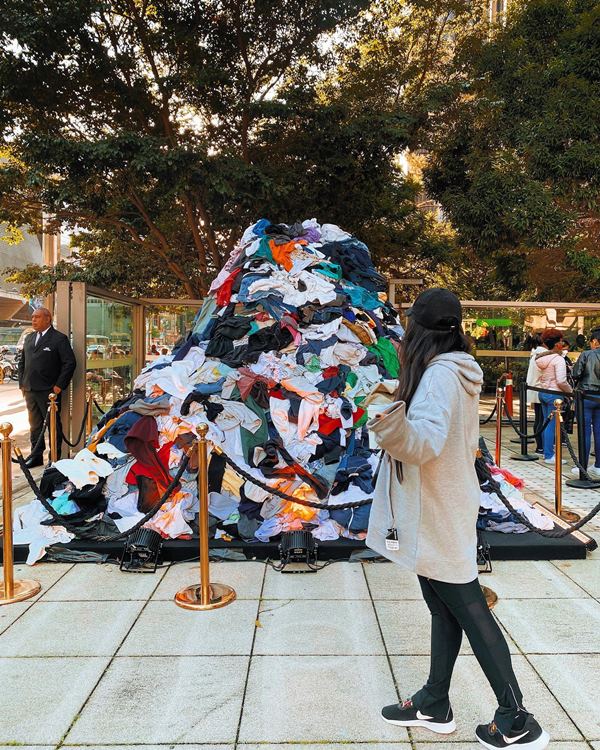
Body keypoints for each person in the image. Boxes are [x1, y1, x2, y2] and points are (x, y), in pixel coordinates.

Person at [367, 288, 549, 750]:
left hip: (436, 509)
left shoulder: (440, 378)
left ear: (418, 331)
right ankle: (434, 701)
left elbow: (421, 443)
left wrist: (383, 415)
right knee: (443, 605)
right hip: (442, 502)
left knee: (467, 606)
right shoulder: (453, 369)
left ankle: (516, 718)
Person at [18, 307, 76, 467]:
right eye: (33, 317)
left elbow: (69, 363)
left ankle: (54, 458)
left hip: (49, 391)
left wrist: (58, 386)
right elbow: (22, 362)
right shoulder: (29, 338)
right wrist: (22, 383)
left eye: (37, 317)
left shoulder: (59, 339)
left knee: (53, 425)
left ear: (47, 319)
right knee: (34, 425)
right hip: (30, 389)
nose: (33, 320)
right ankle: (36, 456)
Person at [535, 329, 573, 464]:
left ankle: (547, 453)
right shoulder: (558, 359)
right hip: (555, 395)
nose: (562, 343)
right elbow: (561, 380)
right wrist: (570, 392)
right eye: (561, 341)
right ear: (557, 344)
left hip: (543, 392)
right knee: (551, 425)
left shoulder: (542, 358)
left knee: (546, 423)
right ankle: (550, 455)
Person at [572, 328, 600, 479]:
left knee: (584, 432)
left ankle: (582, 466)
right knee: (599, 431)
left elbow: (576, 373)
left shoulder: (587, 354)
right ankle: (598, 466)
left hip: (586, 396)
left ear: (595, 341)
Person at [525, 333, 545, 454]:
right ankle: (541, 446)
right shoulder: (542, 355)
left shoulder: (534, 354)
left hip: (535, 389)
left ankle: (540, 446)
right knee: (542, 419)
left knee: (539, 418)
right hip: (541, 389)